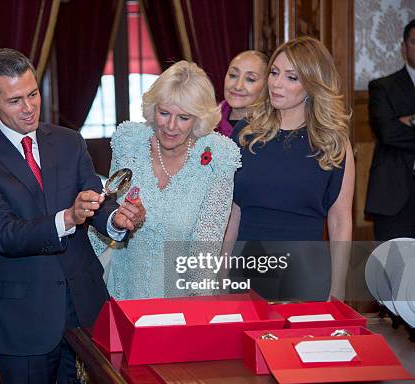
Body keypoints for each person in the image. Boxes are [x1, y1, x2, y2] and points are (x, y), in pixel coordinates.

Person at [0, 48, 145, 384]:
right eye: (14, 100)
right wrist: (67, 218)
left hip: (84, 308)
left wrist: (117, 220)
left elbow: (95, 201)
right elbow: (2, 234)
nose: (29, 107)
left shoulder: (68, 140)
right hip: (23, 318)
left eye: (33, 94)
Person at [90, 61, 241, 300]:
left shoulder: (219, 157)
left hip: (180, 298)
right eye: (164, 113)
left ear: (199, 119)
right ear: (153, 109)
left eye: (183, 117)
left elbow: (206, 244)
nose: (170, 126)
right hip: (125, 290)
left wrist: (195, 312)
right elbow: (108, 217)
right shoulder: (129, 142)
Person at [224, 36, 354, 301]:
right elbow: (233, 212)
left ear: (312, 84)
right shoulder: (245, 134)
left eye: (291, 77)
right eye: (274, 72)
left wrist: (338, 289)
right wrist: (220, 273)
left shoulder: (333, 143)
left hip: (305, 276)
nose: (276, 83)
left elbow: (340, 221)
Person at [365, 19, 415, 241]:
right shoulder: (382, 87)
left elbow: (398, 131)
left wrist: (408, 120)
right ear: (404, 47)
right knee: (393, 271)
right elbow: (388, 132)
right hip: (395, 198)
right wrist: (397, 124)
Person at [216, 50, 269, 137]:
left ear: (267, 85)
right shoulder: (206, 122)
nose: (238, 86)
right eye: (233, 75)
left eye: (250, 79)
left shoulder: (274, 129)